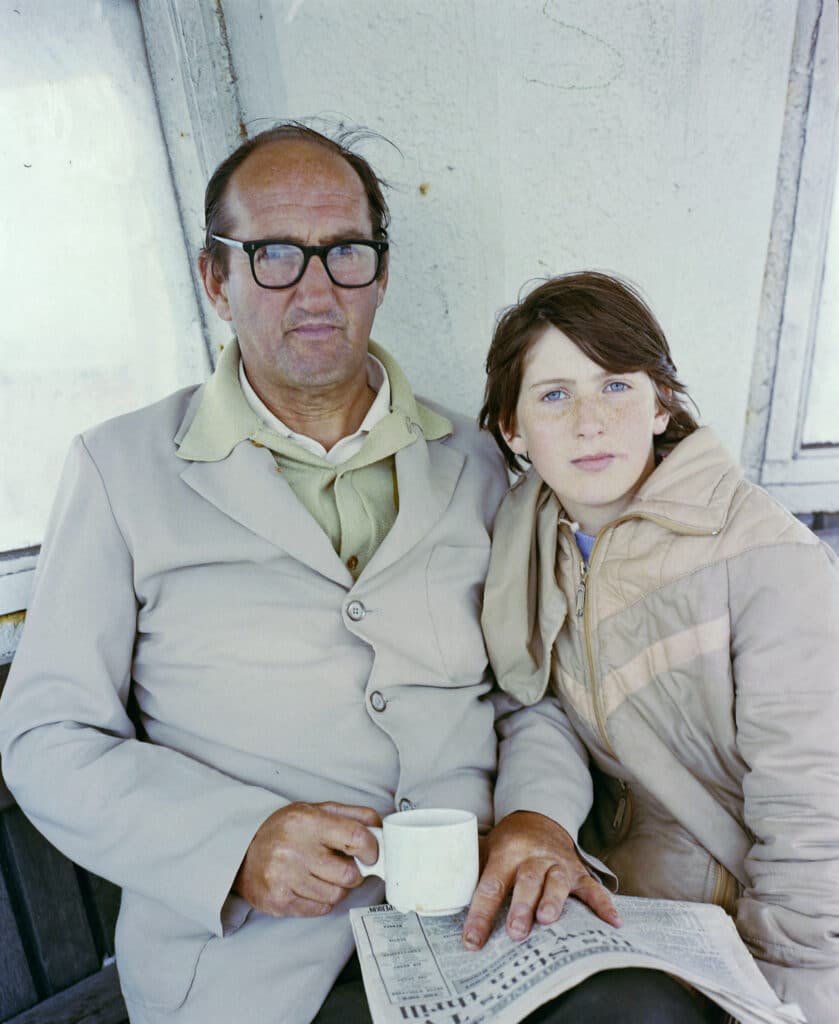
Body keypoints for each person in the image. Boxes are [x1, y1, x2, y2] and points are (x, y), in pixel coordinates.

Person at [0, 125, 625, 1024]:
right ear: (216, 279)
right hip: (255, 958)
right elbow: (48, 735)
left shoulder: (481, 464)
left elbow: (529, 697)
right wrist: (235, 842)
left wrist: (538, 820)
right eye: (275, 255)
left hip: (482, 923)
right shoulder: (120, 467)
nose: (316, 288)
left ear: (380, 272)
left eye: (345, 254)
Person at [478, 270, 839, 1024]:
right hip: (622, 910)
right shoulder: (527, 541)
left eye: (615, 386)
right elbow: (531, 706)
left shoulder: (763, 557)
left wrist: (785, 996)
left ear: (661, 401)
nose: (588, 422)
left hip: (759, 936)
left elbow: (814, 810)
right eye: (553, 395)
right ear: (511, 430)